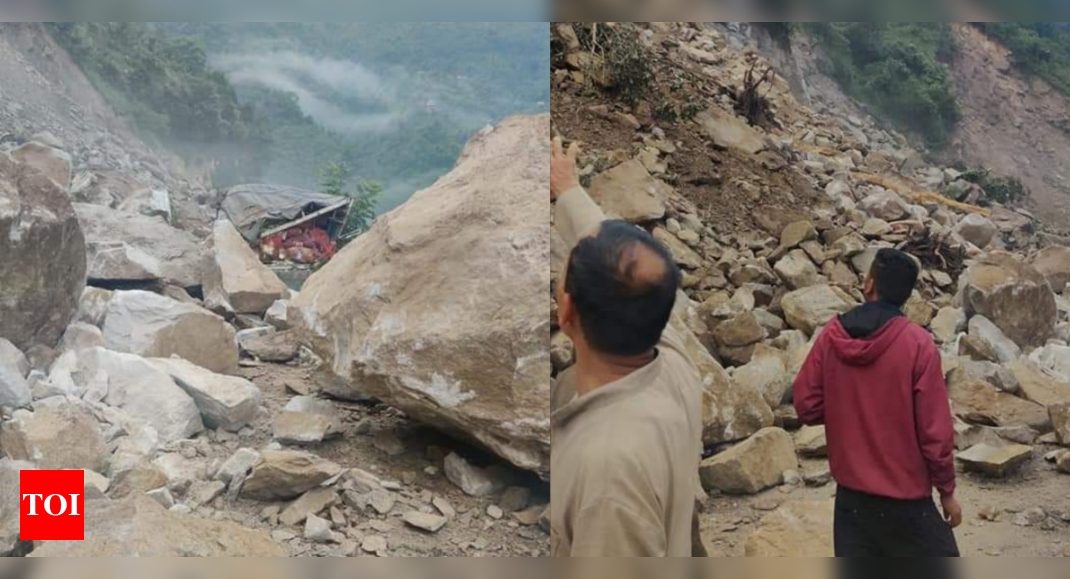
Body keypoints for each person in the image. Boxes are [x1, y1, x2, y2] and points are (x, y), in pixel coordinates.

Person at [549, 136, 705, 557]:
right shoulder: (671, 362)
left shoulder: (608, 473)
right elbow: (628, 270)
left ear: (567, 314)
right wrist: (567, 190)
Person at [793, 248, 962, 557]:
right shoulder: (917, 344)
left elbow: (806, 405)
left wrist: (847, 407)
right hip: (907, 500)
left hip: (852, 501)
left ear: (869, 284)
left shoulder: (832, 335)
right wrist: (947, 492)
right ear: (907, 295)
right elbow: (934, 432)